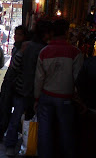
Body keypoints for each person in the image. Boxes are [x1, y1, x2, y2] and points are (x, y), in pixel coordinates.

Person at [34, 19, 83, 158]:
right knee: (66, 132)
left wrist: (36, 98)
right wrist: (78, 98)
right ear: (67, 32)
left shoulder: (44, 51)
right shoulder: (75, 52)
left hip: (46, 96)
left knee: (44, 131)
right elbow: (77, 79)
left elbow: (39, 79)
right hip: (65, 99)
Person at [3, 20, 51, 156]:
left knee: (16, 117)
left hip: (21, 89)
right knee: (35, 121)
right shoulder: (44, 49)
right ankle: (32, 147)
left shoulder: (26, 47)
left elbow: (15, 66)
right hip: (34, 90)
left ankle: (11, 146)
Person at [0, 25, 27, 143]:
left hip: (15, 83)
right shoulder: (16, 48)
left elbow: (14, 66)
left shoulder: (23, 50)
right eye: (16, 34)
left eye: (20, 34)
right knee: (2, 107)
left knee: (7, 110)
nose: (16, 37)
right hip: (9, 80)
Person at [75, 55, 96, 157]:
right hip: (89, 107)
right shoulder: (90, 62)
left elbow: (80, 83)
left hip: (90, 107)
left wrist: (83, 101)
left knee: (87, 140)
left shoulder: (90, 62)